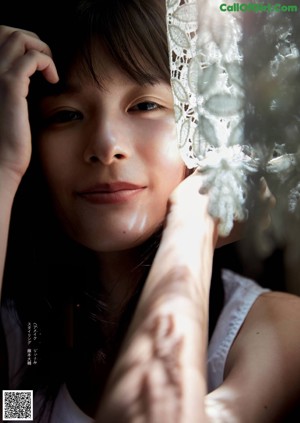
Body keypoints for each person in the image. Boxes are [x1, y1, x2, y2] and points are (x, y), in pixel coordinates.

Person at [0, 1, 300, 422]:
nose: (106, 146)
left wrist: (197, 216)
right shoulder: (24, 342)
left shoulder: (271, 331)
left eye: (144, 106)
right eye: (66, 114)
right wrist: (5, 167)